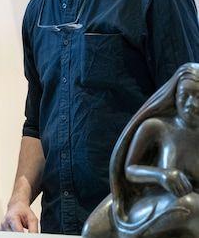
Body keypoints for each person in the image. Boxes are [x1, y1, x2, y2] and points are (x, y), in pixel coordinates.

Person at [0, 0, 199, 234]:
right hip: (61, 223)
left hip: (141, 222)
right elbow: (36, 121)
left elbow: (190, 120)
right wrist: (20, 197)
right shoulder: (37, 11)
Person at [82, 62, 199, 237]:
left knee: (192, 207)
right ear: (174, 95)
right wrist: (162, 175)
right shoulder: (157, 127)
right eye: (186, 95)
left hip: (187, 205)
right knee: (92, 231)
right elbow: (129, 169)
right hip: (144, 198)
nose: (193, 104)